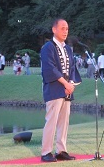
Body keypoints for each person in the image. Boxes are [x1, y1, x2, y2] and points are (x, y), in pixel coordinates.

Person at [40, 18, 81, 162]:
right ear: (54, 29)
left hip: (66, 90)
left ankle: (61, 150)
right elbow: (50, 69)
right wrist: (65, 84)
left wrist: (71, 84)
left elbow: (71, 68)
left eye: (67, 29)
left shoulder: (68, 48)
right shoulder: (47, 48)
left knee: (64, 121)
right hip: (54, 89)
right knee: (51, 121)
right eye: (62, 28)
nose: (65, 31)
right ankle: (46, 152)